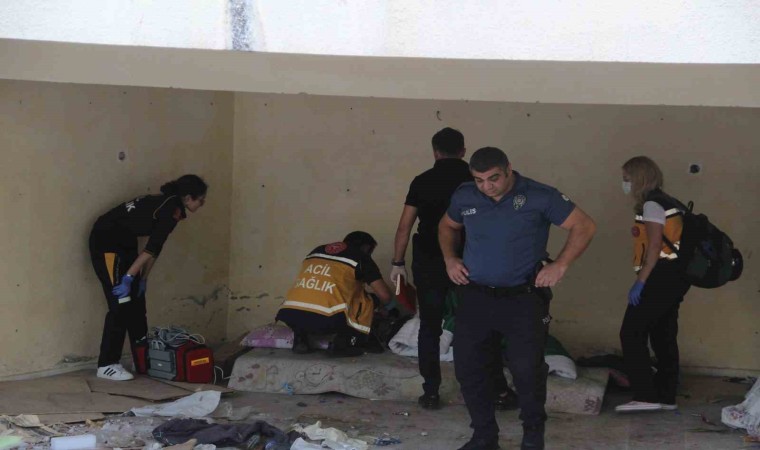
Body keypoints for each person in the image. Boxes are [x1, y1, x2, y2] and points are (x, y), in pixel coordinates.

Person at [439, 147, 596, 450]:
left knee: (526, 370)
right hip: (475, 296)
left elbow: (584, 225)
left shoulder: (540, 195)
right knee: (469, 369)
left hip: (523, 299)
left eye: (493, 178)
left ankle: (533, 437)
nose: (487, 186)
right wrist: (450, 258)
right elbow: (447, 225)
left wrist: (560, 264)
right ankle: (484, 437)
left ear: (509, 169)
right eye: (479, 180)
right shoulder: (465, 195)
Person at [391, 127, 516, 411]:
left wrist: (398, 263)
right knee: (480, 326)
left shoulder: (422, 180)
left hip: (428, 261)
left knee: (430, 326)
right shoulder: (475, 180)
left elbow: (404, 226)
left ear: (435, 152)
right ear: (463, 151)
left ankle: (431, 392)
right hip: (471, 261)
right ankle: (495, 390)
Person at [89, 174, 208, 381]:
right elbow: (152, 248)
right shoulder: (170, 209)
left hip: (125, 242)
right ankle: (107, 364)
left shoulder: (172, 207)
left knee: (136, 300)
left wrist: (142, 278)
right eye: (201, 200)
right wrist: (127, 278)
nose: (202, 204)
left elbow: (154, 249)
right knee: (120, 303)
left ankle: (142, 358)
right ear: (188, 197)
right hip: (106, 242)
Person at [616, 156, 691, 413]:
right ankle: (666, 396)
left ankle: (645, 395)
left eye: (627, 179)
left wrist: (640, 281)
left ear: (639, 179)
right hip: (677, 276)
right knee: (663, 334)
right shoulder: (671, 202)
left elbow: (655, 246)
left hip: (660, 275)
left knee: (631, 332)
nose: (624, 184)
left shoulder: (652, 204)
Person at [276, 231, 394, 357]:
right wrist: (382, 307)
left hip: (290, 315)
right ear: (366, 247)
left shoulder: (316, 251)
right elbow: (385, 296)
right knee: (368, 300)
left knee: (312, 298)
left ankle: (300, 338)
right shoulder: (361, 257)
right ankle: (344, 343)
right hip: (326, 321)